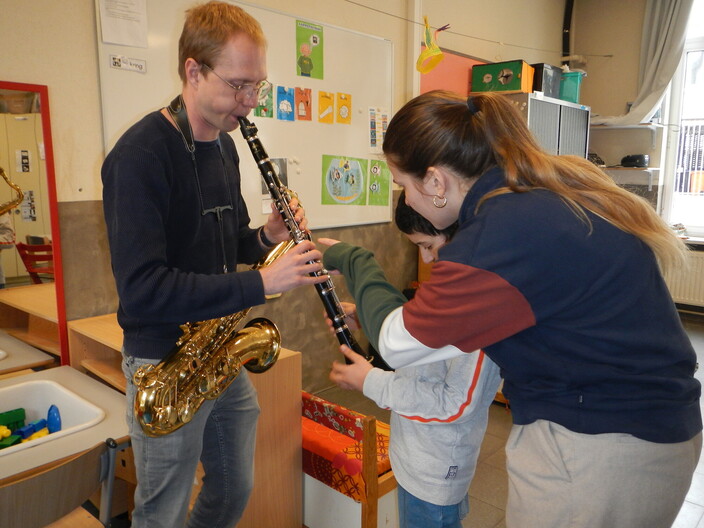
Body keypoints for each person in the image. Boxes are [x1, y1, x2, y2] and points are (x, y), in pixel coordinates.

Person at [319, 90, 702, 528]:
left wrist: (356, 259)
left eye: (403, 186)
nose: (405, 200)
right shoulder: (532, 195)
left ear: (435, 182)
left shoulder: (501, 231)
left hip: (598, 446)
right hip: (642, 436)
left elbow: (396, 341)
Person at [101, 2, 328, 527]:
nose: (249, 104)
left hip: (219, 350)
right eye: (238, 86)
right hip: (165, 361)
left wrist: (265, 238)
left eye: (258, 87)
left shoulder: (225, 147)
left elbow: (230, 248)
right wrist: (262, 282)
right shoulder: (139, 157)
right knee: (162, 512)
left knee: (231, 490)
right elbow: (144, 291)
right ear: (193, 71)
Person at [328, 192, 501, 528]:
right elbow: (431, 344)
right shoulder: (454, 285)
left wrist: (372, 381)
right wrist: (364, 318)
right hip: (416, 454)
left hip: (435, 471)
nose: (427, 257)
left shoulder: (483, 305)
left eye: (426, 244)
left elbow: (456, 403)